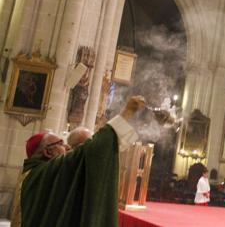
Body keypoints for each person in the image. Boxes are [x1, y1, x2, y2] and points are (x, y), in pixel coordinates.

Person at [11, 96, 145, 227]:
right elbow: (94, 148)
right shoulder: (45, 171)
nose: (67, 147)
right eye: (61, 143)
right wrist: (127, 112)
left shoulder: (32, 173)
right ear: (47, 152)